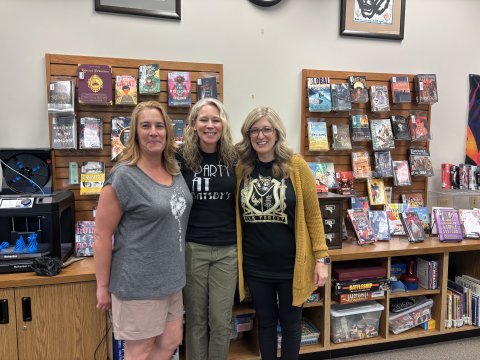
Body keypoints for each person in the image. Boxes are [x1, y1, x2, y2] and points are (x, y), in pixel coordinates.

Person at [94, 101, 193, 360]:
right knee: (139, 352)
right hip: (139, 283)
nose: (153, 132)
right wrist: (102, 287)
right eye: (145, 126)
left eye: (159, 126)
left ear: (168, 132)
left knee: (172, 341)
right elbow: (102, 236)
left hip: (172, 280)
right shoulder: (123, 176)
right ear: (135, 133)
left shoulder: (174, 170)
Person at [235, 107, 329, 360]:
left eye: (267, 129)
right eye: (254, 130)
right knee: (265, 323)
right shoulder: (241, 168)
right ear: (248, 135)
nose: (260, 135)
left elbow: (313, 214)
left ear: (277, 133)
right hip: (256, 264)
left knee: (290, 324)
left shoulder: (296, 166)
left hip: (292, 264)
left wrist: (322, 260)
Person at [177, 98, 238, 360]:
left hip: (228, 250)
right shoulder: (179, 158)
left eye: (216, 120)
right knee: (196, 320)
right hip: (193, 247)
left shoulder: (235, 158)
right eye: (204, 120)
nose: (210, 125)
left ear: (223, 124)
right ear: (193, 124)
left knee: (221, 321)